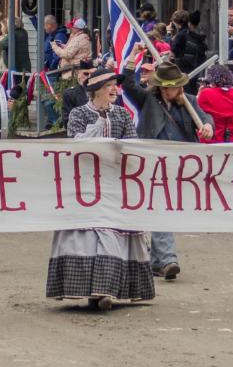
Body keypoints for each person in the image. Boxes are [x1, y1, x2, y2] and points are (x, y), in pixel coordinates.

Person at [45, 71, 154, 309]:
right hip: (86, 184)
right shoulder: (79, 114)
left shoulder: (122, 116)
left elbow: (132, 144)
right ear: (96, 91)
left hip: (114, 182)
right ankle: (86, 288)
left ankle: (106, 289)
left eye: (115, 86)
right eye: (109, 86)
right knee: (85, 235)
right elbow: (76, 143)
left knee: (113, 232)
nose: (114, 90)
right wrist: (96, 128)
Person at [123, 59, 206, 280]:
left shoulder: (189, 102)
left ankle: (156, 262)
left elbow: (205, 121)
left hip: (180, 166)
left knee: (162, 210)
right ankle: (168, 259)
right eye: (169, 87)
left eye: (176, 86)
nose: (174, 91)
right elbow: (128, 84)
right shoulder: (148, 100)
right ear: (161, 87)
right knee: (160, 207)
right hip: (151, 164)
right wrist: (131, 60)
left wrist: (207, 127)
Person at [197, 63, 233, 143]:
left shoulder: (206, 93)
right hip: (230, 138)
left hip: (210, 138)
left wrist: (199, 94)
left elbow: (198, 110)